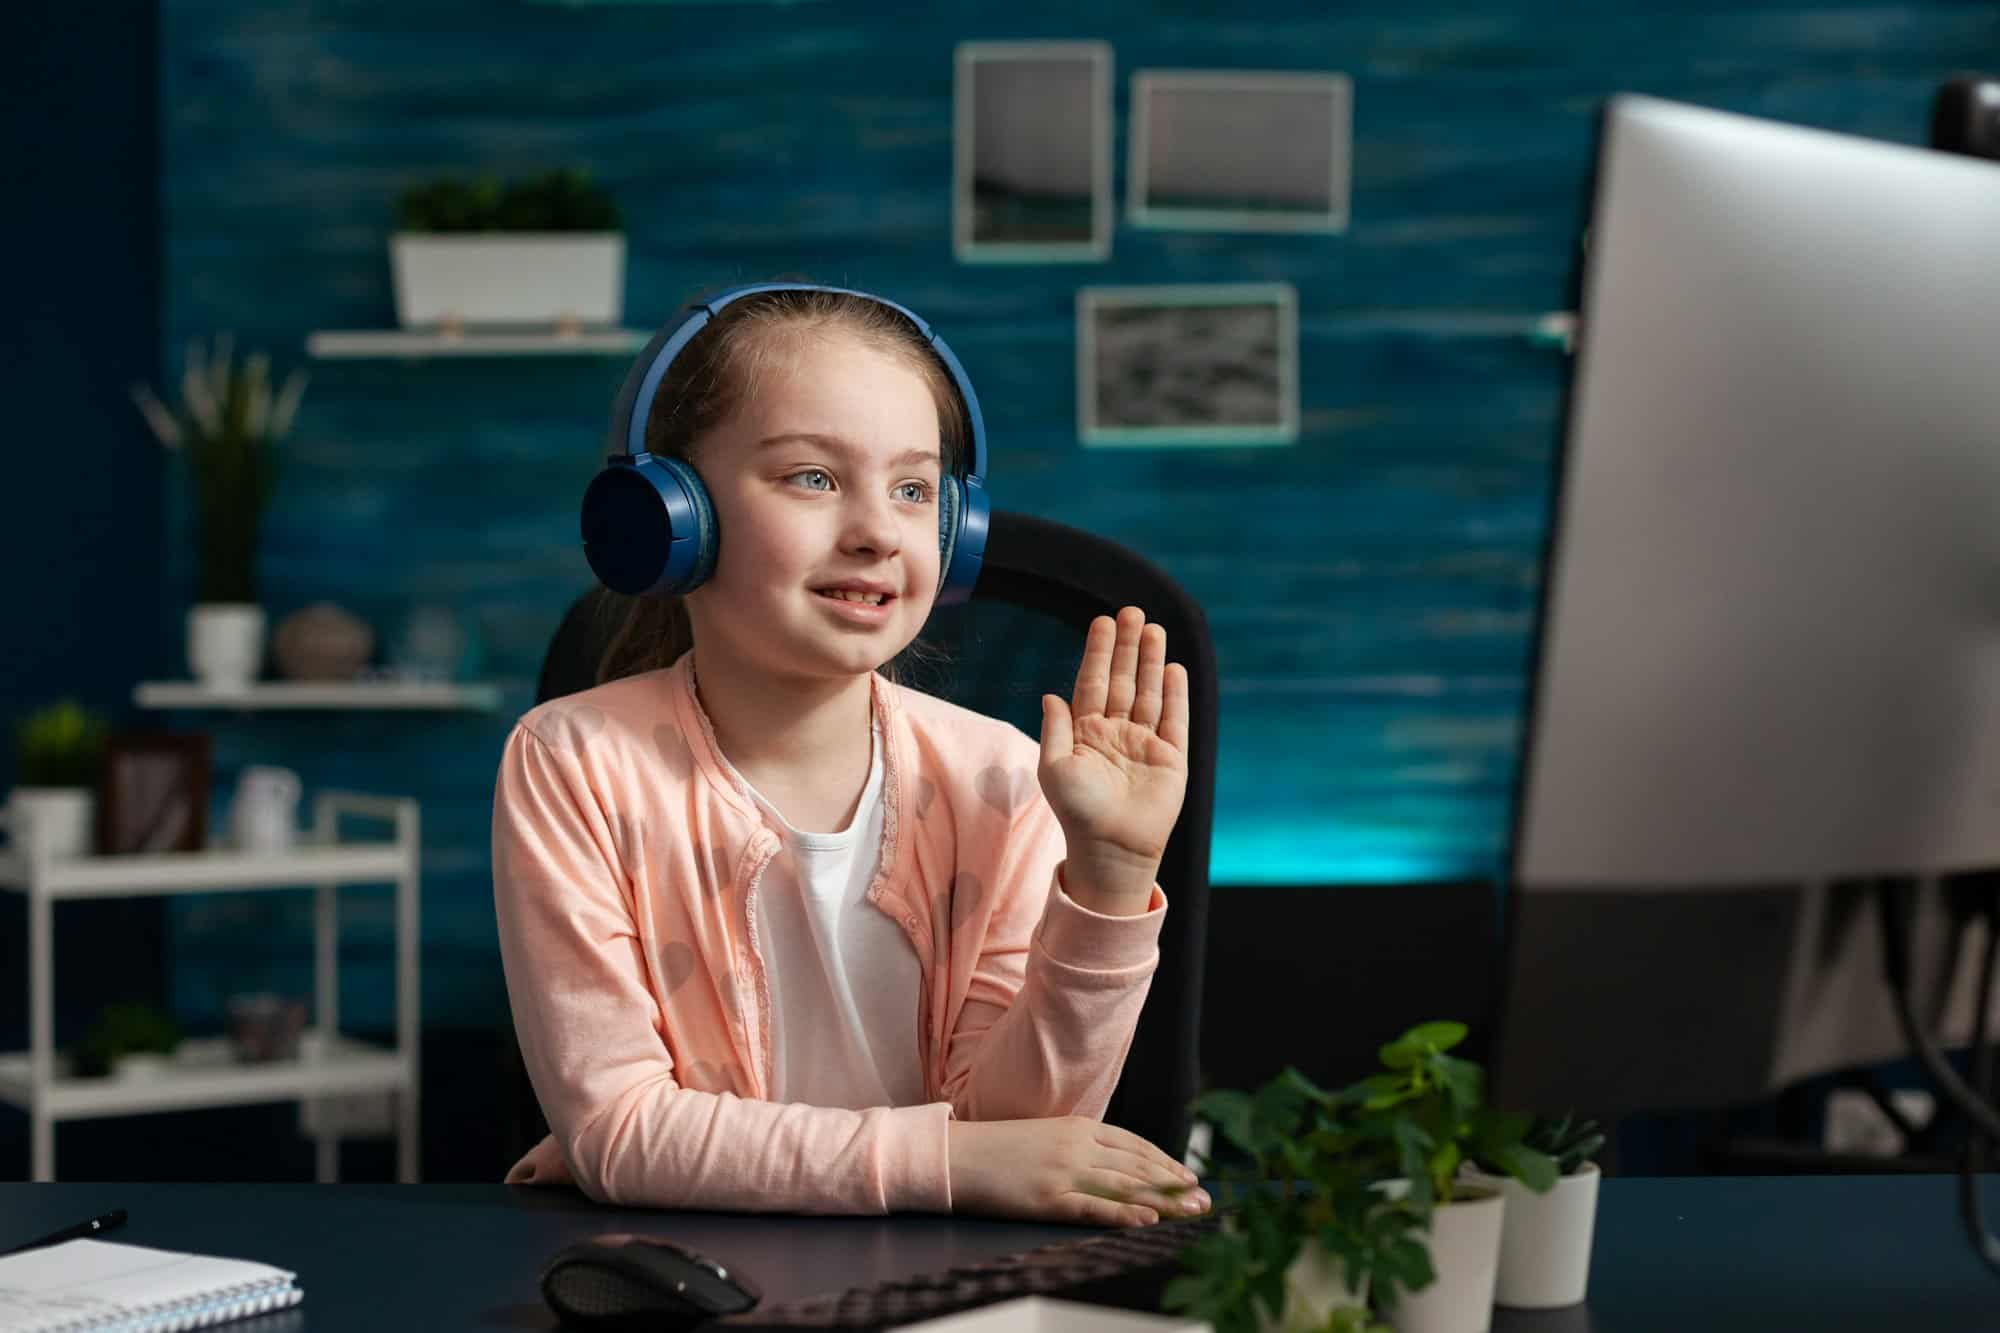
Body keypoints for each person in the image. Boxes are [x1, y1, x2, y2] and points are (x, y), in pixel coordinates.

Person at [494, 284, 1207, 1228]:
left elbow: (1023, 1142)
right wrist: (942, 1156)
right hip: (688, 1272)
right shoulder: (573, 762)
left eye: (914, 490)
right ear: (670, 517)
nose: (877, 530)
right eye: (814, 478)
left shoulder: (1004, 775)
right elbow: (621, 1132)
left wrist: (1109, 881)